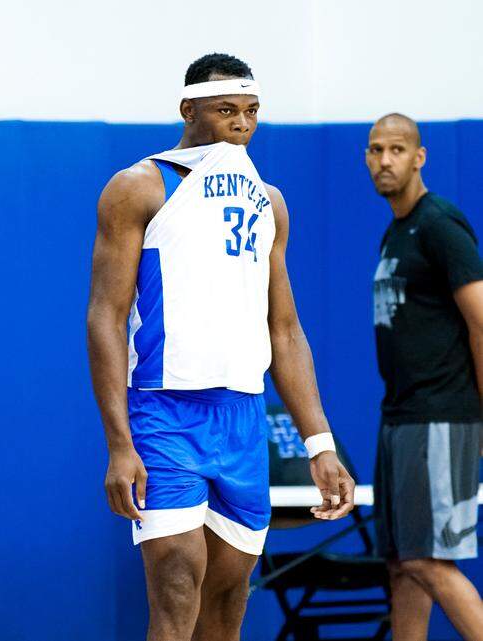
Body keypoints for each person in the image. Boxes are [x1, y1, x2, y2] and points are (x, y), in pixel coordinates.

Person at [86, 52, 355, 640]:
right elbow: (105, 316)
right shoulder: (138, 187)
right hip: (165, 411)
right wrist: (118, 443)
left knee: (228, 602)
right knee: (177, 585)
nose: (241, 123)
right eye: (226, 109)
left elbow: (285, 330)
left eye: (251, 111)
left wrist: (319, 443)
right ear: (189, 110)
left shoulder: (269, 202)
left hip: (242, 417)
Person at [366, 113, 483, 641]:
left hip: (441, 414)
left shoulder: (439, 224)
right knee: (402, 563)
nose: (384, 160)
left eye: (396, 150)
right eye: (375, 150)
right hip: (401, 417)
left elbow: (480, 322)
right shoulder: (397, 232)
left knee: (430, 561)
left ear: (419, 158)